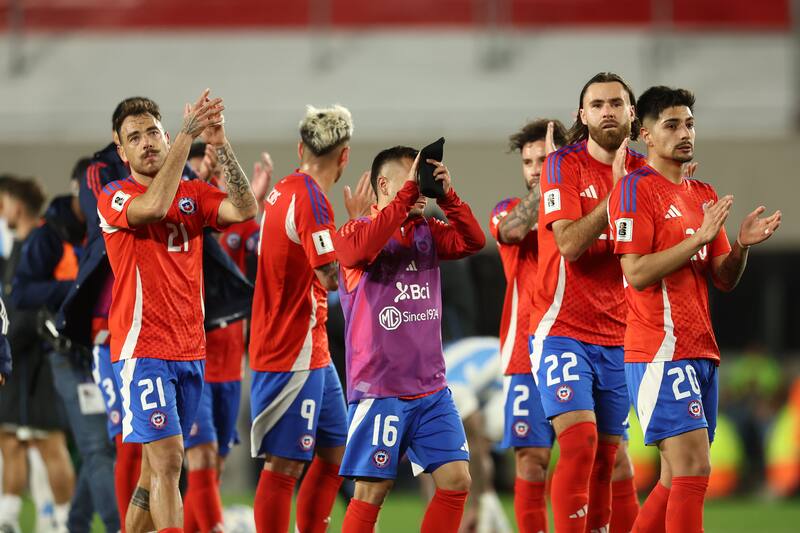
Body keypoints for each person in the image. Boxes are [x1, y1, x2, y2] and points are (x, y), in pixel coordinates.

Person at [608, 86, 780, 533]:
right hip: (659, 351)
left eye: (689, 123)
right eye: (671, 125)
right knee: (693, 470)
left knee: (674, 478)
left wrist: (739, 244)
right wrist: (698, 239)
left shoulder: (701, 190)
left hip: (701, 350)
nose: (685, 133)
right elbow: (637, 272)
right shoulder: (633, 190)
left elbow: (722, 277)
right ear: (645, 133)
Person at [97, 90, 257, 532]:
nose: (146, 142)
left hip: (190, 350)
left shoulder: (194, 194)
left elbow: (245, 208)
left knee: (155, 472)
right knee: (170, 462)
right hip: (142, 350)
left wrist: (219, 144)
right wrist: (186, 139)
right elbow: (152, 208)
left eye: (153, 132)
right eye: (134, 137)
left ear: (165, 135)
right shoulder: (114, 196)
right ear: (121, 150)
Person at [334, 146, 485, 533]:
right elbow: (356, 251)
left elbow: (473, 241)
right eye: (410, 180)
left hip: (431, 390)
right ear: (384, 184)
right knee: (371, 491)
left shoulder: (426, 232)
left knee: (456, 482)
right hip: (380, 388)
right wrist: (402, 202)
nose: (418, 189)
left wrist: (448, 197)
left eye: (421, 182)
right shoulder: (355, 232)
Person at [530, 72, 646, 532]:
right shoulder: (564, 165)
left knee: (608, 460)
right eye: (597, 104)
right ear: (583, 115)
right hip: (562, 330)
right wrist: (617, 195)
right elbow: (570, 244)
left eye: (616, 103)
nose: (607, 111)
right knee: (579, 444)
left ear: (632, 113)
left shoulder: (644, 171)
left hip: (619, 337)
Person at [248, 105, 352, 533]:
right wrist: (365, 229)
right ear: (344, 156)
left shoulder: (283, 190)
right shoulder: (312, 199)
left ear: (300, 147)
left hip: (312, 347)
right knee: (286, 463)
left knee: (334, 451)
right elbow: (329, 277)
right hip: (292, 349)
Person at [11, 158, 120, 533]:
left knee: (106, 445)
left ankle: (75, 525)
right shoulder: (49, 234)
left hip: (104, 352)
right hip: (66, 355)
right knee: (98, 448)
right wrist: (76, 290)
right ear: (80, 188)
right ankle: (117, 525)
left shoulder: (106, 227)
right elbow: (21, 292)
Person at [183, 146, 268, 533]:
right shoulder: (183, 218)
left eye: (214, 170)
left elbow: (262, 258)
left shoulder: (239, 221)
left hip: (232, 358)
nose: (211, 174)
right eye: (204, 169)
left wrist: (259, 203)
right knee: (198, 456)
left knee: (214, 461)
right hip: (191, 354)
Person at [490, 118, 564, 533]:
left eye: (544, 159)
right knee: (531, 459)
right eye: (529, 161)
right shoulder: (508, 211)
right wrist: (552, 179)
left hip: (583, 344)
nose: (535, 168)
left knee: (602, 454)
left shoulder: (582, 212)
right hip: (524, 354)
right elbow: (510, 230)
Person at [0, 177, 75, 533]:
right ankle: (9, 520)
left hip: (43, 361)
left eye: (3, 203)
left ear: (17, 205)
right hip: (17, 363)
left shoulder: (42, 242)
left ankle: (63, 522)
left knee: (50, 443)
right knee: (10, 439)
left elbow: (35, 308)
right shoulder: (16, 247)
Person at [440, 336, 511, 533]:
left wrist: (473, 505)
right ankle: (483, 511)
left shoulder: (451, 393)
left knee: (478, 449)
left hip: (505, 374)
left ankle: (482, 512)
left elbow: (478, 445)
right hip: (485, 359)